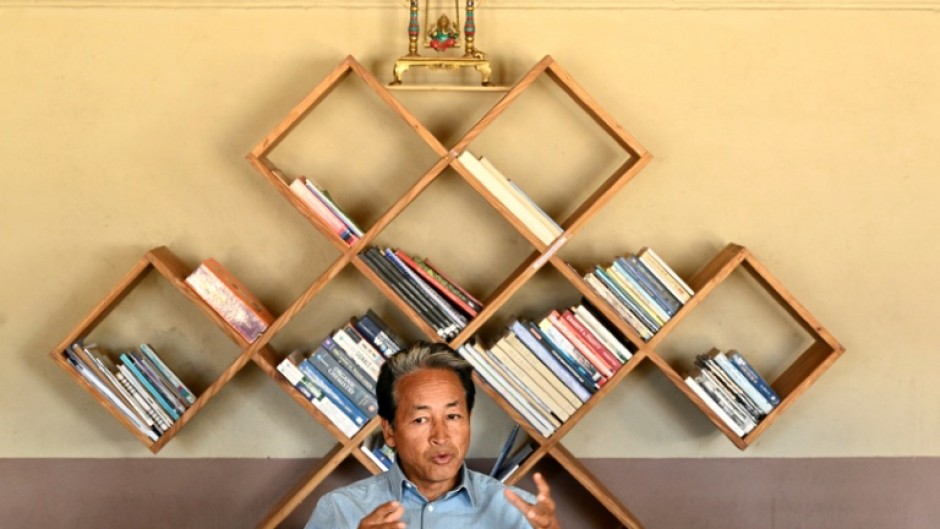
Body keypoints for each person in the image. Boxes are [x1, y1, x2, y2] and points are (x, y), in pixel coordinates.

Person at [304, 341, 561, 529]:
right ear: (389, 431)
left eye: (452, 416)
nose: (441, 436)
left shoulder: (519, 514)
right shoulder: (339, 510)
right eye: (421, 419)